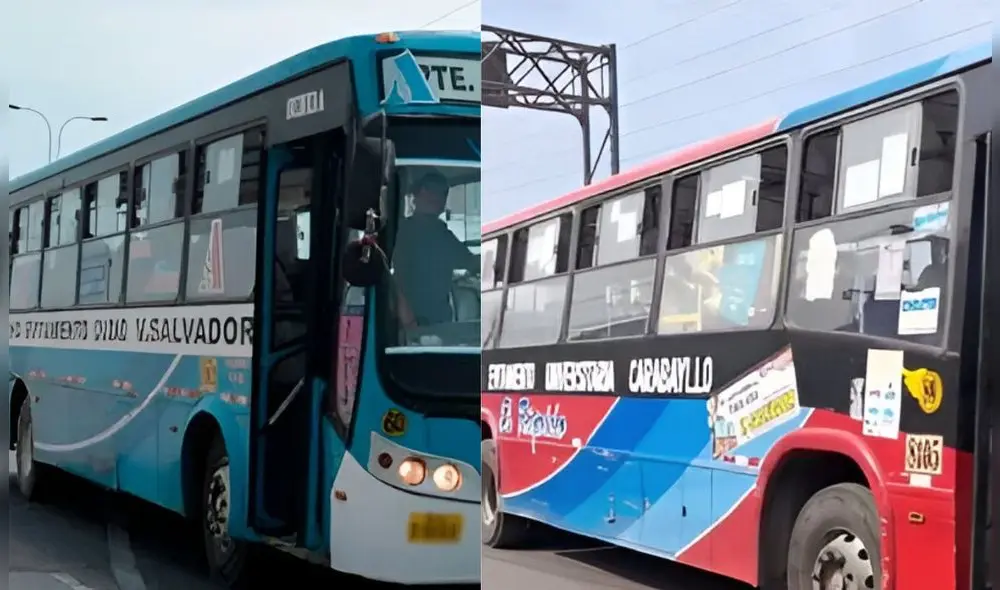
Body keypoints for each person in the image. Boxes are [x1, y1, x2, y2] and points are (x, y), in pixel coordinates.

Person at [393, 171, 479, 327]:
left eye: (442, 193)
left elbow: (468, 261)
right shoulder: (403, 231)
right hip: (411, 319)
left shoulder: (440, 232)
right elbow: (396, 277)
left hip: (436, 318)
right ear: (417, 194)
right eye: (430, 190)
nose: (436, 197)